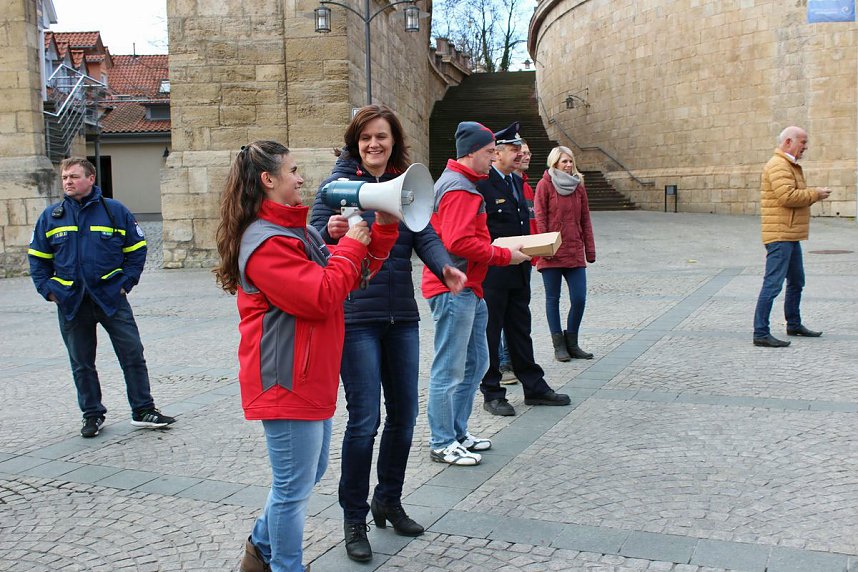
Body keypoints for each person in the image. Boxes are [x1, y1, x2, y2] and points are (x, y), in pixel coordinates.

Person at [214, 140, 398, 572]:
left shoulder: (296, 231)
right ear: (268, 179)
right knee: (293, 487)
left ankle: (260, 548)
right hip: (285, 379)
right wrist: (351, 244)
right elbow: (319, 295)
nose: (300, 178)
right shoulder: (265, 242)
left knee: (303, 476)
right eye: (293, 170)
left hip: (307, 375)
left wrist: (382, 231)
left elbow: (348, 275)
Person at [310, 105, 466, 563]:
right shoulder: (335, 187)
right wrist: (329, 231)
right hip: (356, 317)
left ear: (394, 141)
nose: (374, 145)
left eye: (382, 137)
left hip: (401, 315)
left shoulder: (407, 184)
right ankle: (353, 518)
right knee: (364, 421)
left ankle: (389, 499)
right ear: (354, 144)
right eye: (365, 139)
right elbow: (313, 241)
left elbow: (426, 235)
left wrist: (445, 266)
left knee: (403, 417)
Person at [28, 157, 175, 439]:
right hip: (72, 302)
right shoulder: (52, 216)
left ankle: (143, 410)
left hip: (110, 299)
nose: (68, 182)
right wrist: (48, 290)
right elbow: (37, 259)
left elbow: (137, 248)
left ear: (91, 178)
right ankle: (92, 415)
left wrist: (126, 282)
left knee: (132, 354)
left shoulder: (114, 211)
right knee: (82, 362)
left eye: (74, 176)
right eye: (65, 178)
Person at [423, 121, 531, 465]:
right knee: (450, 368)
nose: (493, 157)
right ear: (472, 152)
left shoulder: (463, 183)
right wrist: (503, 255)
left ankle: (456, 432)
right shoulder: (460, 188)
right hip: (454, 288)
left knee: (477, 362)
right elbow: (458, 242)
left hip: (469, 287)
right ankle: (442, 441)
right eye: (489, 152)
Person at [477, 123, 571, 417]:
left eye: (520, 149)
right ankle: (492, 391)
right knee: (491, 333)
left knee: (520, 329)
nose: (520, 154)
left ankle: (534, 387)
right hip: (493, 271)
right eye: (513, 149)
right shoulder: (482, 183)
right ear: (497, 154)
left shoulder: (516, 182)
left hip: (518, 269)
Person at [753, 126, 831, 347]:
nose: (805, 147)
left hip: (789, 233)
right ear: (788, 141)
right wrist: (815, 194)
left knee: (797, 281)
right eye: (802, 142)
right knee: (773, 283)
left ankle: (793, 324)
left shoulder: (789, 164)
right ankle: (760, 332)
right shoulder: (778, 165)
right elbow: (787, 196)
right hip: (780, 234)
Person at [534, 146, 596, 361]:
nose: (568, 165)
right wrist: (545, 248)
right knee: (553, 299)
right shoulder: (544, 185)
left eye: (570, 161)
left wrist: (589, 249)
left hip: (574, 250)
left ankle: (573, 342)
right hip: (551, 252)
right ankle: (558, 345)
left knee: (579, 298)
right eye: (564, 162)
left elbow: (585, 220)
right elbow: (540, 218)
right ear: (554, 164)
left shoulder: (579, 187)